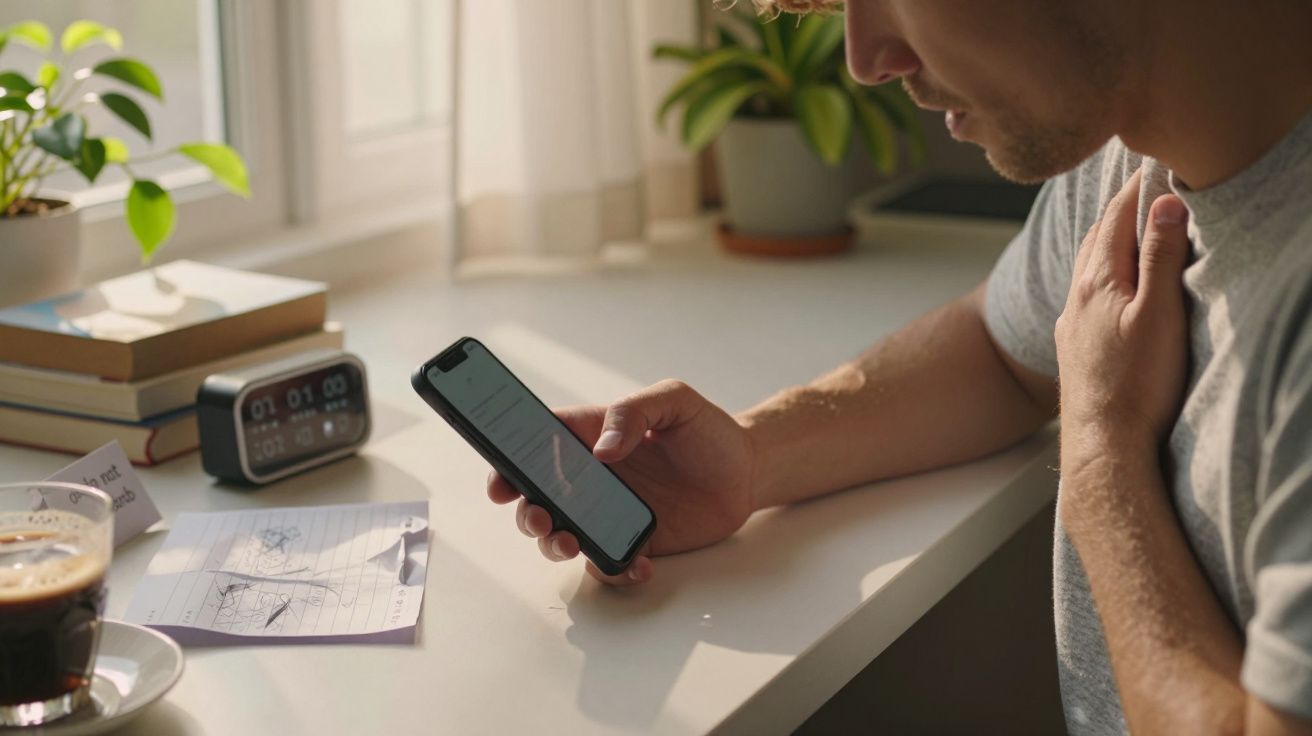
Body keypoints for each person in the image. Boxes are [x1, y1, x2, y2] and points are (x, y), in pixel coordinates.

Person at [485, 1, 1312, 733]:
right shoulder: (1130, 153)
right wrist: (751, 455)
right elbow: (999, 350)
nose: (866, 57)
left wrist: (1101, 452)